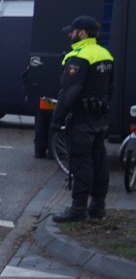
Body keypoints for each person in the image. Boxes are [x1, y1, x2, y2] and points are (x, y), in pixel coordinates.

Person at [50, 15, 115, 223]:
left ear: (82, 33)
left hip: (80, 118)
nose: (70, 34)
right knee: (99, 161)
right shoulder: (105, 54)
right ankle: (98, 206)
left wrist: (56, 119)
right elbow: (110, 88)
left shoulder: (80, 55)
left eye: (73, 31)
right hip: (99, 116)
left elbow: (70, 90)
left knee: (81, 162)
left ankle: (78, 208)